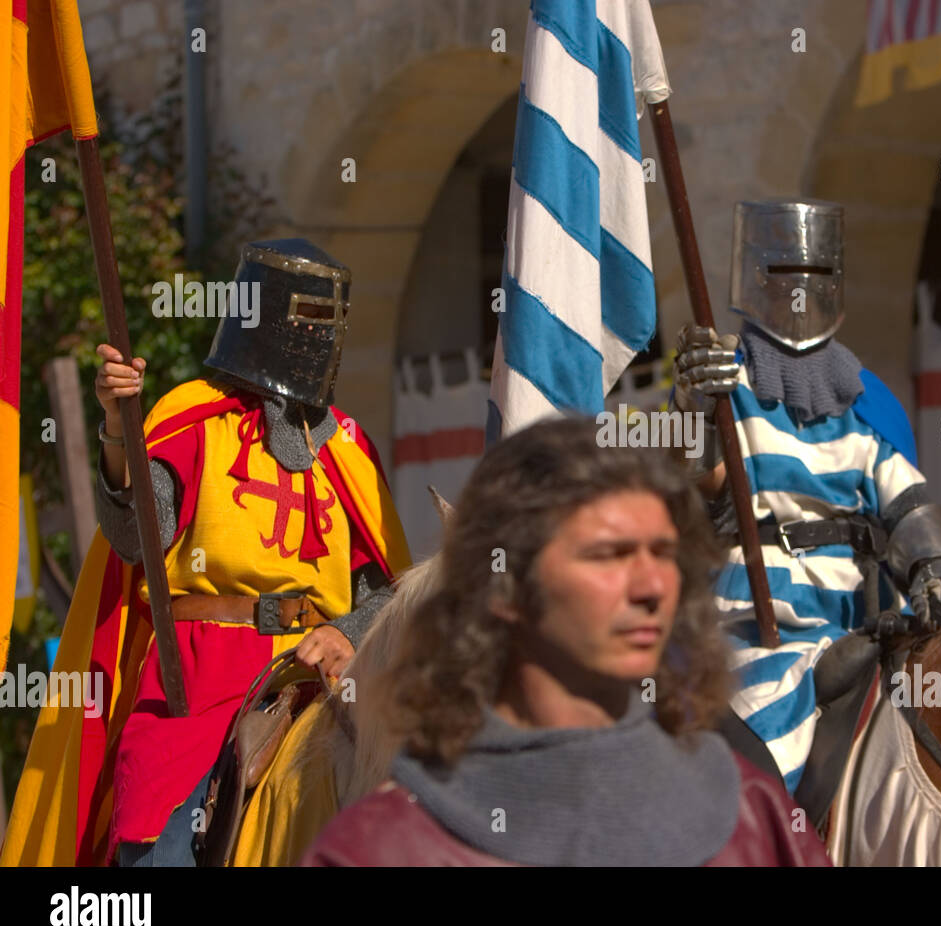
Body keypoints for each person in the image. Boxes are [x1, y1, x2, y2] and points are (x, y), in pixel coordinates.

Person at [0, 239, 411, 867]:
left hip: (317, 683)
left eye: (327, 320)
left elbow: (388, 591)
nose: (314, 337)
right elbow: (136, 538)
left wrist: (346, 632)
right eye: (303, 316)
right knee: (163, 854)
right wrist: (117, 430)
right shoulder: (194, 420)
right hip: (199, 682)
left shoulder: (348, 451)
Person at [299, 417, 830, 866]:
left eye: (663, 553)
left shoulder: (755, 817)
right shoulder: (384, 849)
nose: (652, 586)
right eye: (607, 554)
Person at [671, 199, 941, 802]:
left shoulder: (864, 400)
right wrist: (693, 411)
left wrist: (939, 572)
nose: (801, 293)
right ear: (756, 281)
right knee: (755, 761)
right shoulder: (721, 384)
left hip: (852, 631)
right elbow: (686, 487)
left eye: (816, 277)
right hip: (748, 636)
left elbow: (906, 504)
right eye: (784, 277)